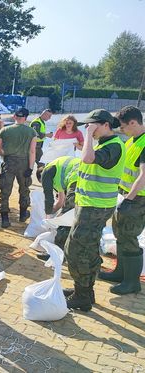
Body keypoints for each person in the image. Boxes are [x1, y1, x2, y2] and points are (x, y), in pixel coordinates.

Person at [64, 109, 126, 311]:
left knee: (76, 249)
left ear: (105, 125)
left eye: (93, 125)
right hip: (90, 205)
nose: (89, 129)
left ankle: (82, 294)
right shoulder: (106, 144)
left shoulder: (114, 146)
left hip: (95, 208)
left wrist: (88, 136)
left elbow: (88, 159)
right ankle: (84, 291)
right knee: (87, 248)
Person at [98, 106, 144, 295]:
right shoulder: (132, 141)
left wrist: (129, 200)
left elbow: (143, 176)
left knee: (129, 237)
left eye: (123, 127)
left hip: (137, 199)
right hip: (125, 195)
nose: (122, 131)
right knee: (120, 235)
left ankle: (132, 282)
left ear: (133, 122)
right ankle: (120, 273)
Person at [0, 107, 38, 228]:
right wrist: (30, 168)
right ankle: (23, 214)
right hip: (24, 163)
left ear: (14, 116)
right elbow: (32, 151)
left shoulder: (5, 130)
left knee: (5, 190)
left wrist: (7, 155)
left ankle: (5, 219)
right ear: (25, 117)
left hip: (9, 162)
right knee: (24, 189)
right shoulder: (31, 132)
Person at [36, 156, 80, 259]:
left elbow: (49, 198)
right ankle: (71, 250)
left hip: (77, 180)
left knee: (65, 220)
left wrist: (48, 218)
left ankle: (57, 254)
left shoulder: (46, 173)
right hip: (86, 177)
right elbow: (61, 201)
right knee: (76, 216)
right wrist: (53, 217)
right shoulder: (58, 173)